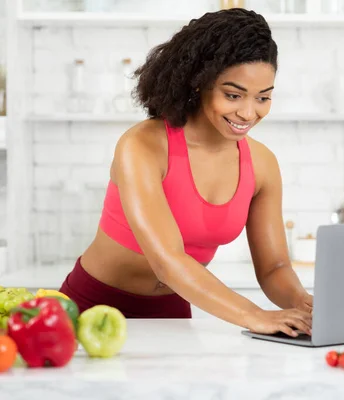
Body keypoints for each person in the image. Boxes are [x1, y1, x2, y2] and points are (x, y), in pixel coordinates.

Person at [58, 8, 313, 338]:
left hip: (173, 314)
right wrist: (255, 316)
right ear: (199, 83)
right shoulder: (142, 145)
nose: (249, 112)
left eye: (263, 98)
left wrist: (303, 304)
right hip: (91, 307)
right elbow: (167, 260)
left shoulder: (262, 164)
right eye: (233, 95)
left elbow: (274, 267)